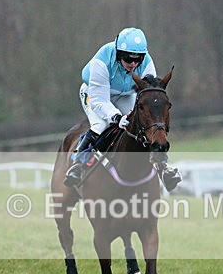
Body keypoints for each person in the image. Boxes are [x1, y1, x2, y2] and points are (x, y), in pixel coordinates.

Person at [64, 27, 181, 190]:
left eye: (138, 59)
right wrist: (117, 117)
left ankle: (162, 167)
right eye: (128, 59)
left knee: (142, 124)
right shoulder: (102, 61)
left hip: (125, 95)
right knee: (101, 125)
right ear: (119, 54)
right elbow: (100, 102)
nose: (133, 64)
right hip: (95, 94)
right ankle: (77, 164)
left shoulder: (147, 62)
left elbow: (149, 92)